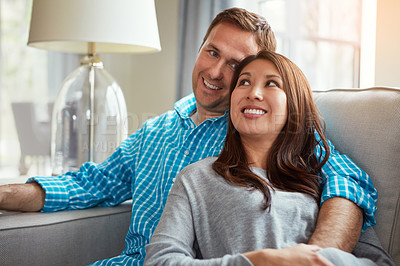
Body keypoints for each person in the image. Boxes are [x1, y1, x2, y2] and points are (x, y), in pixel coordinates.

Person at [0, 7, 384, 265]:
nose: (216, 71)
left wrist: (317, 256)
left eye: (235, 64)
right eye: (212, 52)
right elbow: (89, 183)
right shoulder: (155, 130)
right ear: (199, 49)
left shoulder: (261, 130)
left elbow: (348, 180)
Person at [144, 50, 376, 266]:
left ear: (294, 105)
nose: (253, 93)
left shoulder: (322, 177)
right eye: (244, 82)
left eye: (271, 83)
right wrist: (260, 260)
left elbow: (371, 256)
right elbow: (160, 260)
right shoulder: (196, 178)